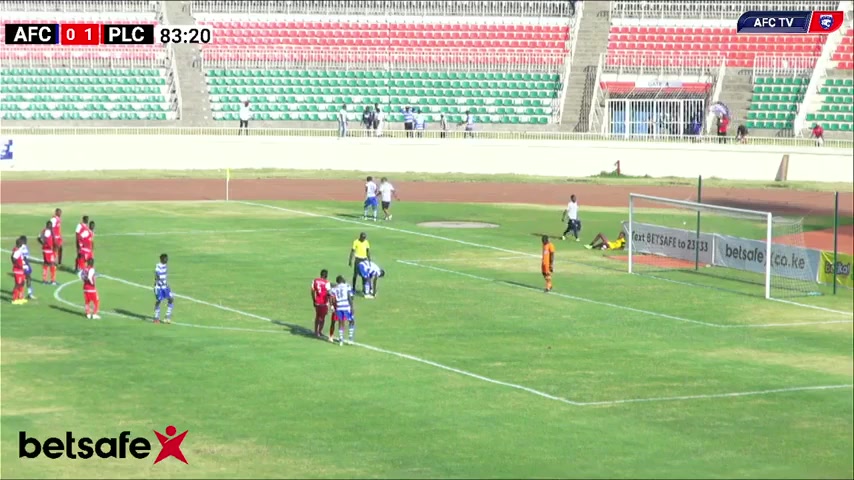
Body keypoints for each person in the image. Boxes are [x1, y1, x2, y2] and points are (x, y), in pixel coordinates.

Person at [329, 275, 356, 345]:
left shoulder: (335, 288)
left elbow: (330, 296)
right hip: (346, 307)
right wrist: (352, 307)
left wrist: (331, 305)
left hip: (339, 307)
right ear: (342, 280)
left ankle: (341, 340)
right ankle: (350, 338)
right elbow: (350, 297)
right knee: (352, 321)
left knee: (340, 322)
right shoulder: (347, 286)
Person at [154, 253, 174, 324]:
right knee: (159, 301)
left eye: (167, 258)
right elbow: (157, 275)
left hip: (165, 286)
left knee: (171, 299)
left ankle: (167, 317)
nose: (167, 260)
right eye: (166, 258)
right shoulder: (158, 266)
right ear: (162, 259)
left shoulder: (165, 266)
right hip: (159, 287)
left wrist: (166, 284)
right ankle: (156, 317)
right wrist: (160, 281)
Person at [311, 269, 332, 338]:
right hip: (324, 302)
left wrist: (314, 300)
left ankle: (315, 331)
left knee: (317, 316)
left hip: (317, 302)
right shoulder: (327, 282)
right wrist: (331, 303)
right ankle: (319, 332)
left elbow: (312, 291)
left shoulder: (315, 280)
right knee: (322, 318)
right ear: (326, 275)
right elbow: (329, 293)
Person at [38, 220, 57, 285]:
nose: (51, 226)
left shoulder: (43, 230)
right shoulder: (48, 231)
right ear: (48, 225)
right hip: (49, 251)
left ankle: (44, 280)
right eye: (50, 225)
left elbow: (39, 238)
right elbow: (44, 238)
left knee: (46, 264)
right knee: (52, 264)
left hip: (45, 250)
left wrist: (43, 244)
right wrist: (47, 244)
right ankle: (53, 280)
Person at [10, 238, 27, 305]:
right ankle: (14, 299)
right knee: (18, 284)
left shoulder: (18, 250)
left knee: (22, 283)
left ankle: (20, 297)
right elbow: (13, 258)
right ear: (19, 244)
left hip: (21, 270)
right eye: (21, 243)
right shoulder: (17, 251)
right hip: (18, 270)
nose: (22, 244)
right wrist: (17, 265)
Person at [18, 235, 35, 300]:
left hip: (26, 265)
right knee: (23, 280)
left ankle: (29, 293)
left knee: (28, 278)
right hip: (23, 265)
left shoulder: (25, 247)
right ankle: (21, 294)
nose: (26, 241)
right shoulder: (20, 248)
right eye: (24, 240)